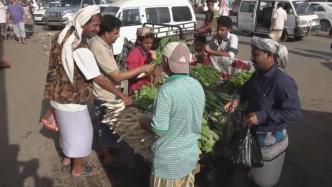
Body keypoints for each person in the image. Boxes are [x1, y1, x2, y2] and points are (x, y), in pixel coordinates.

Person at [43, 5, 132, 177]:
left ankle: (67, 159)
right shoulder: (80, 48)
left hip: (57, 94)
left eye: (99, 26)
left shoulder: (61, 36)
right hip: (72, 99)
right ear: (83, 23)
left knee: (66, 131)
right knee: (81, 135)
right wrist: (122, 95)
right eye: (95, 25)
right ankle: (78, 169)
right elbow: (98, 77)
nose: (98, 29)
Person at [224, 37, 301, 187]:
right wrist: (237, 99)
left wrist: (262, 116)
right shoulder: (258, 74)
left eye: (256, 54)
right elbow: (244, 89)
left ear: (270, 56)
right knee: (252, 176)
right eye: (252, 53)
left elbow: (294, 112)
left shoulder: (282, 81)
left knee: (265, 181)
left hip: (271, 144)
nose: (252, 58)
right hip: (254, 138)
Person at [88, 15, 155, 166]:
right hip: (105, 95)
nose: (118, 36)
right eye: (115, 33)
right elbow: (117, 77)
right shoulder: (99, 47)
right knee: (105, 125)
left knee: (109, 124)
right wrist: (143, 68)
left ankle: (111, 151)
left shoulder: (102, 44)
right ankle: (107, 155)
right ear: (106, 33)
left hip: (109, 93)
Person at [140, 42, 205, 187]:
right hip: (189, 158)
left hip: (169, 164)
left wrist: (144, 123)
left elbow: (159, 130)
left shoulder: (167, 90)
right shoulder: (197, 86)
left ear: (165, 62)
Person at [126, 26, 156, 94]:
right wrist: (148, 72)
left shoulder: (149, 53)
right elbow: (131, 76)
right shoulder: (134, 54)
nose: (149, 45)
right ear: (139, 41)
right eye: (147, 43)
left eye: (151, 43)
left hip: (146, 87)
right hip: (136, 90)